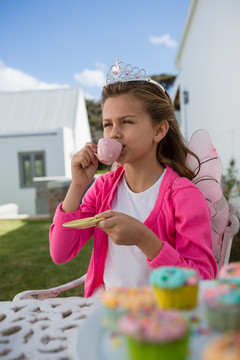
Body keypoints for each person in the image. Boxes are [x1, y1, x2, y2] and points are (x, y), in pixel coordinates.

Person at [49, 59, 217, 297]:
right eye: (108, 124)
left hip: (161, 318)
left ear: (159, 130)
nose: (114, 133)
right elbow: (60, 253)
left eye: (126, 121)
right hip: (107, 311)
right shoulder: (103, 187)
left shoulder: (184, 196)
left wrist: (144, 239)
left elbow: (202, 283)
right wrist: (77, 186)